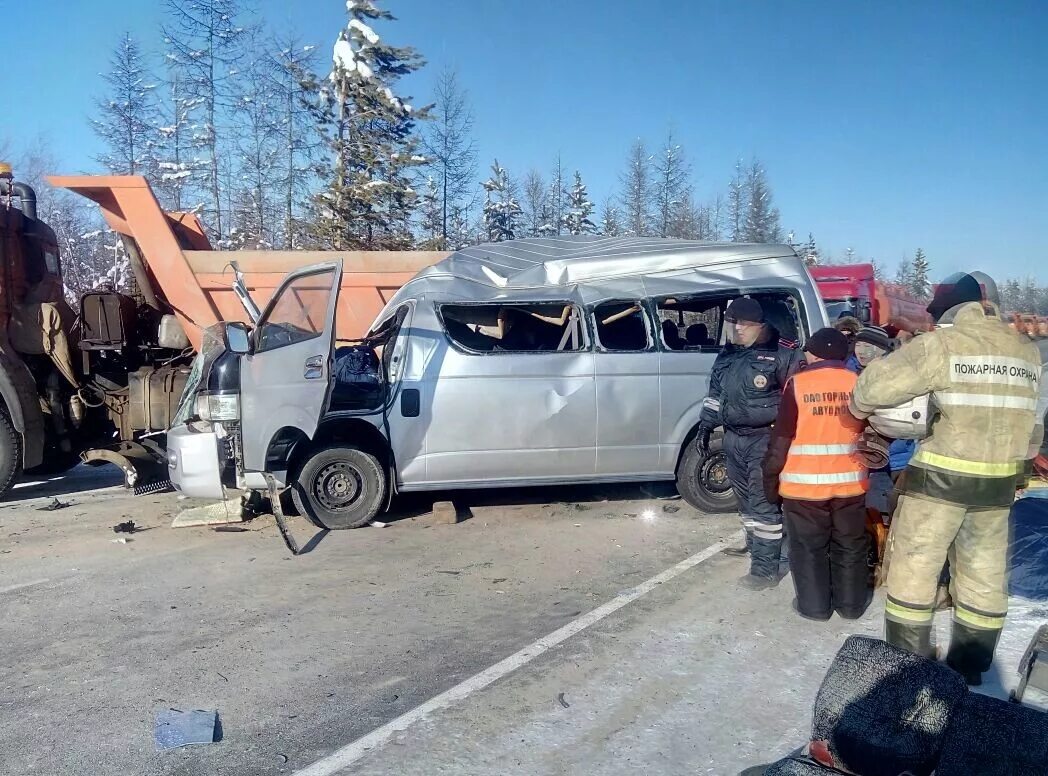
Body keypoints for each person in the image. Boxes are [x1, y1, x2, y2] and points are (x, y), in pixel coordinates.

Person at [850, 272, 1043, 685]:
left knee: (914, 573)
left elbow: (867, 394)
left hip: (938, 485)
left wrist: (888, 359)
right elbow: (1034, 427)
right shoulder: (1026, 353)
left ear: (950, 309)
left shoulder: (941, 346)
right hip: (997, 489)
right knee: (983, 577)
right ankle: (970, 666)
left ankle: (910, 665)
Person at [763, 327, 870, 620]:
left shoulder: (798, 384)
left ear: (815, 352)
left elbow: (781, 439)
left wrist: (770, 480)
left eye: (808, 351)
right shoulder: (858, 382)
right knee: (850, 545)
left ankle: (815, 607)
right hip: (850, 483)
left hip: (805, 487)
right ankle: (851, 607)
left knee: (809, 548)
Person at [696, 297, 803, 589]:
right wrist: (706, 426)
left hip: (764, 438)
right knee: (743, 501)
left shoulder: (784, 354)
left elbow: (796, 400)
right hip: (733, 437)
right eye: (733, 324)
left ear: (760, 326)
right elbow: (715, 393)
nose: (737, 330)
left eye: (743, 325)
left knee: (763, 502)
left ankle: (765, 570)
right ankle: (755, 548)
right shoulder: (727, 354)